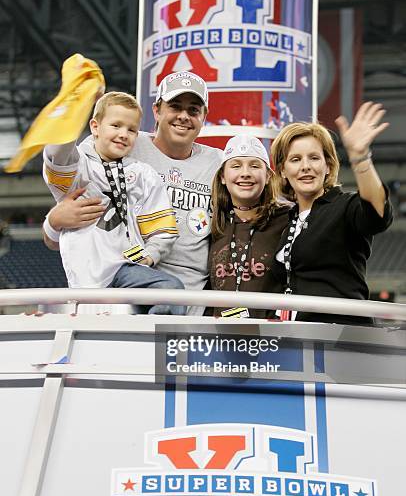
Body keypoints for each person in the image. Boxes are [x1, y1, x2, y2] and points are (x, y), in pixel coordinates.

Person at [43, 71, 223, 314]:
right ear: (157, 111)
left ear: (204, 116)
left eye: (193, 110)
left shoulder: (219, 162)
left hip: (183, 296)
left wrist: (148, 256)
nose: (183, 116)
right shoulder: (99, 153)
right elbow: (61, 156)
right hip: (110, 284)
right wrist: (53, 222)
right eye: (175, 106)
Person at [271, 101, 393, 325]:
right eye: (295, 160)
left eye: (314, 158)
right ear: (283, 171)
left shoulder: (345, 206)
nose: (305, 166)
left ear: (328, 165)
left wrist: (360, 157)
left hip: (340, 341)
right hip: (296, 339)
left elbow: (378, 213)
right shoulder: (288, 220)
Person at [208, 134, 290, 319]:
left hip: (271, 340)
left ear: (268, 176)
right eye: (236, 166)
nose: (245, 173)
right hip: (218, 339)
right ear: (222, 176)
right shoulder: (213, 223)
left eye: (255, 165)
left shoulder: (287, 220)